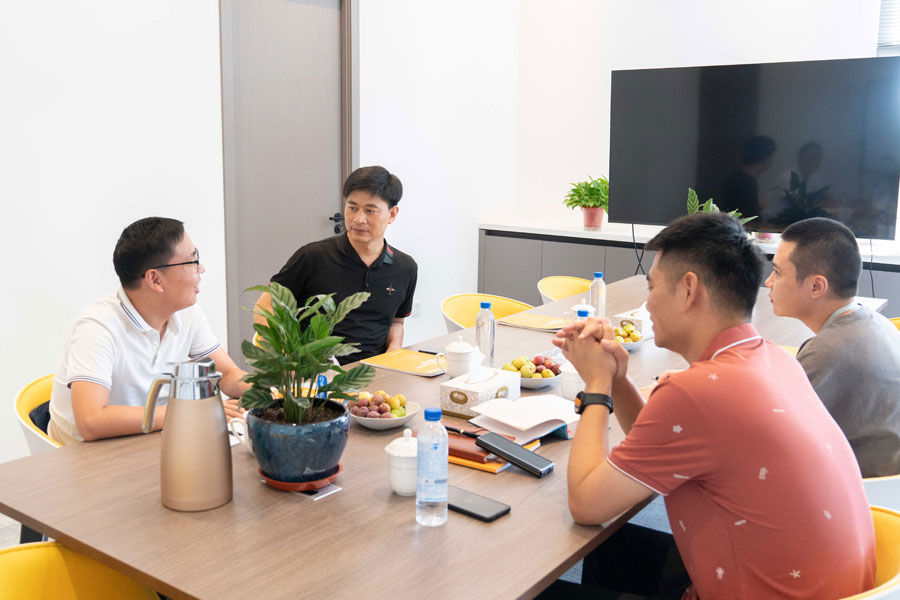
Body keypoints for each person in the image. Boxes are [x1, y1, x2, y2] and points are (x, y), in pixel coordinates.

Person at [541, 213, 875, 600]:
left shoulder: (696, 394)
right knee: (611, 546)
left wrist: (597, 385)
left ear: (689, 289)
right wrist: (617, 377)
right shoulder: (774, 358)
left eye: (652, 287)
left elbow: (585, 503)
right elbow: (659, 443)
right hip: (831, 590)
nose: (647, 303)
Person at [48, 217, 249, 445]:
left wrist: (270, 391)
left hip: (147, 441)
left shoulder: (187, 313)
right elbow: (91, 421)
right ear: (155, 279)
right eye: (193, 261)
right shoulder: (97, 326)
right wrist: (193, 411)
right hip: (87, 456)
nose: (201, 269)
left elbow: (227, 374)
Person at [766, 217, 900, 477]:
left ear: (817, 286)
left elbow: (771, 432)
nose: (769, 281)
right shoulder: (872, 321)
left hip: (862, 488)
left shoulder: (828, 351)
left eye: (778, 272)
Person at [255, 166, 417, 364]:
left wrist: (393, 353)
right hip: (314, 371)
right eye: (352, 207)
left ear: (392, 214)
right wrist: (287, 355)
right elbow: (265, 306)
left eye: (370, 211)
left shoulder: (405, 267)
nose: (358, 219)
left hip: (377, 371)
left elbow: (396, 322)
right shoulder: (312, 257)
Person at [720, 135, 777, 219]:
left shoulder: (736, 178)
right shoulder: (746, 183)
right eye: (771, 157)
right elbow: (751, 218)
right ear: (766, 158)